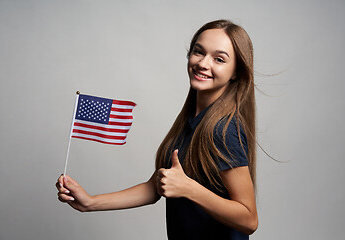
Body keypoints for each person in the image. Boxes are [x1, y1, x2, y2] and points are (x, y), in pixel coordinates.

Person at [56, 19, 258, 240]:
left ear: (236, 73)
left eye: (219, 59)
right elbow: (157, 185)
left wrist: (189, 189)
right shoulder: (192, 120)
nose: (203, 63)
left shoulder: (223, 130)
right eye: (198, 52)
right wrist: (90, 202)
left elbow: (249, 219)